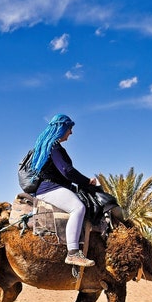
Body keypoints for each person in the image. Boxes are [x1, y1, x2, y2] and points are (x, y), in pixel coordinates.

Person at [30, 114, 98, 267]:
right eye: (70, 129)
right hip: (50, 188)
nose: (71, 133)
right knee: (78, 208)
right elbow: (67, 171)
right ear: (62, 128)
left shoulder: (46, 146)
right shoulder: (54, 147)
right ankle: (73, 253)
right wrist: (88, 181)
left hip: (49, 187)